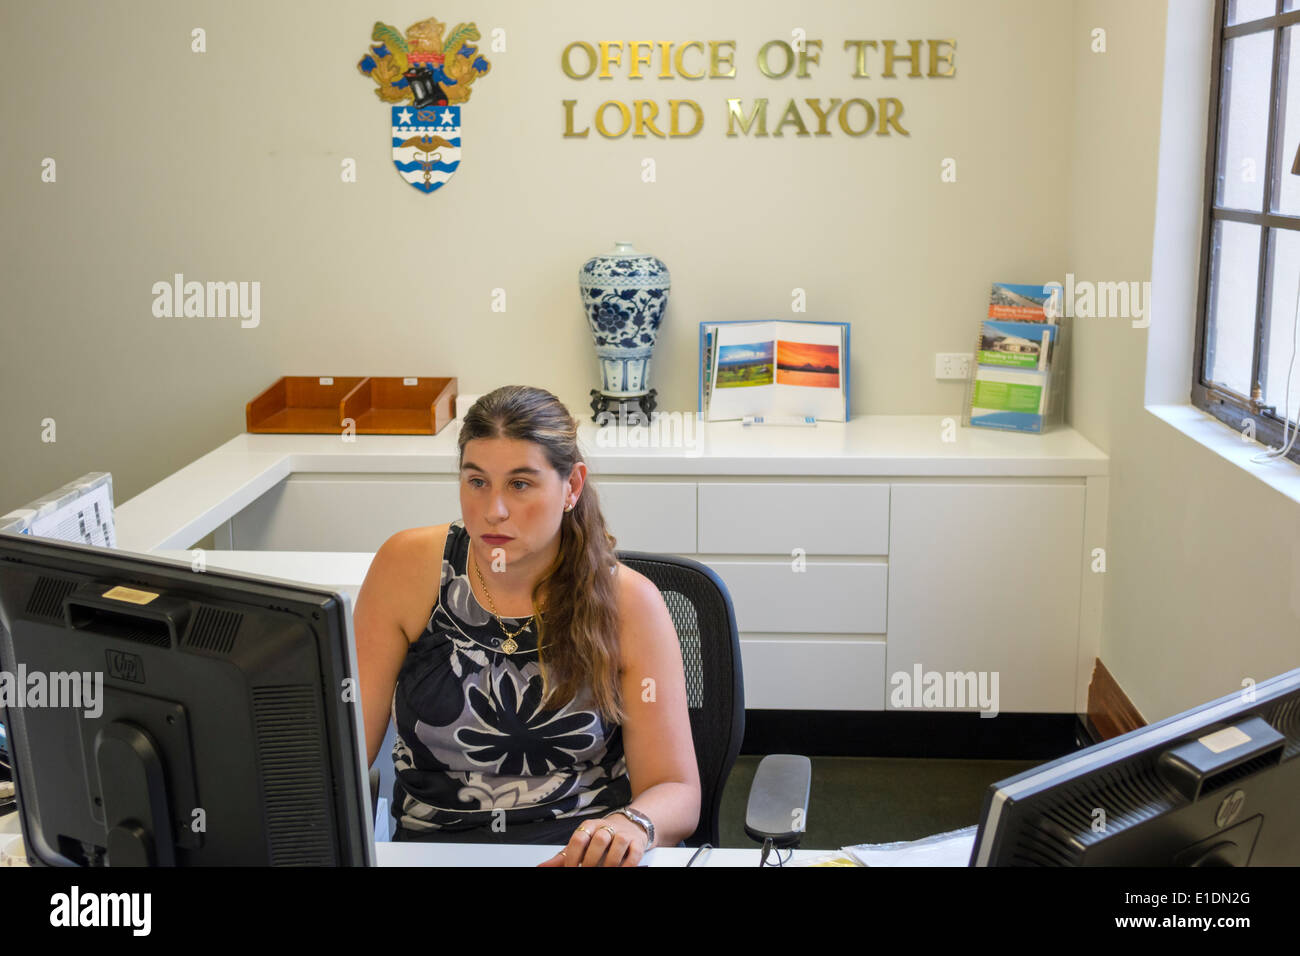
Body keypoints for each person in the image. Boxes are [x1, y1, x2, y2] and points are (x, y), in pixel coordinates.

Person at [354, 385, 700, 866]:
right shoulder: (407, 569)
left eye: (520, 484)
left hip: (576, 853)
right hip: (435, 852)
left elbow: (676, 789)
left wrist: (631, 826)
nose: (493, 510)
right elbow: (344, 752)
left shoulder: (629, 602)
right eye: (477, 482)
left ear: (572, 486)